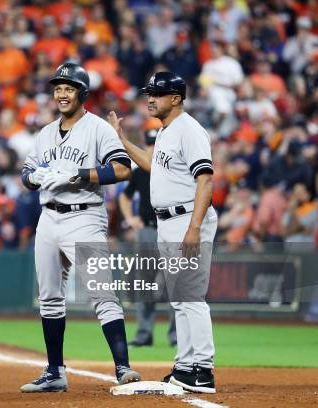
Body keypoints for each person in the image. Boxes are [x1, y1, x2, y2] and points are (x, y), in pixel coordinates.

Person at [20, 61, 141, 393]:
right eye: (57, 88)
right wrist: (33, 177)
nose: (61, 94)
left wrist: (81, 174)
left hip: (85, 215)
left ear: (82, 93)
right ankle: (54, 372)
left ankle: (123, 368)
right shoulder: (45, 133)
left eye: (68, 88)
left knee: (102, 293)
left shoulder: (98, 128)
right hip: (49, 217)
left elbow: (122, 169)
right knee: (49, 298)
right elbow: (25, 175)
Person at [109, 71, 218, 394]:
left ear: (176, 98)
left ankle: (203, 369)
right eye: (149, 93)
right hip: (168, 222)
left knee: (190, 297)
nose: (150, 99)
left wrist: (194, 228)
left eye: (157, 94)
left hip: (187, 218)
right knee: (179, 300)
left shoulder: (189, 130)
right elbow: (154, 166)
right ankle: (185, 365)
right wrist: (123, 141)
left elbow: (206, 180)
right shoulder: (167, 131)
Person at [118, 129, 176, 347]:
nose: (152, 147)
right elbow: (124, 196)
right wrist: (130, 219)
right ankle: (144, 334)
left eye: (155, 143)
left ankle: (177, 338)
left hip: (171, 229)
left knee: (176, 286)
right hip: (148, 231)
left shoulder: (173, 169)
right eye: (149, 143)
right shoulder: (141, 170)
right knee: (145, 284)